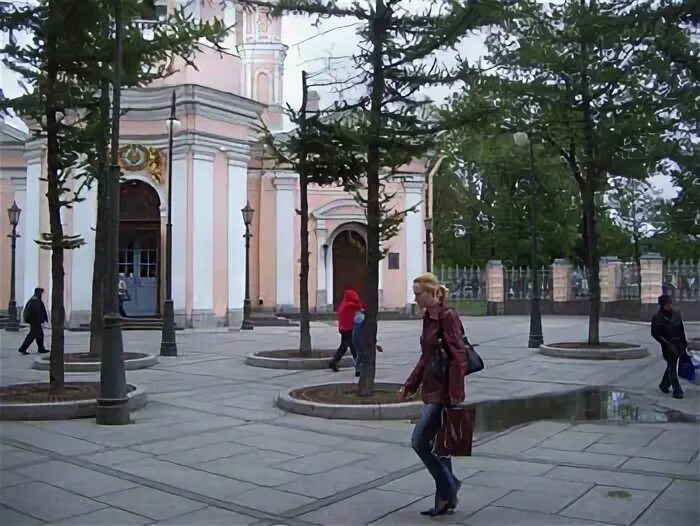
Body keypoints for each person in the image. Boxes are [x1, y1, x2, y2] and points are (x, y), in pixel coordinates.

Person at [399, 272, 466, 517]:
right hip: (432, 389)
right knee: (441, 448)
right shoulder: (429, 318)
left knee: (419, 442)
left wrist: (455, 394)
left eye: (418, 294)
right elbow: (426, 359)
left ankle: (451, 485)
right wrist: (410, 385)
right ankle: (444, 502)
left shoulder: (447, 317)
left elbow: (458, 357)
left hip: (444, 393)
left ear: (431, 293)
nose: (415, 298)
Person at [651, 294, 688, 399]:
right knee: (672, 365)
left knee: (672, 365)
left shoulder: (676, 314)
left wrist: (684, 342)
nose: (669, 306)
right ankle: (677, 389)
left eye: (670, 304)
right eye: (667, 304)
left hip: (679, 343)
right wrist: (665, 342)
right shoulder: (657, 318)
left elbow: (681, 328)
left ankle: (664, 384)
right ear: (662, 305)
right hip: (668, 345)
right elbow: (655, 333)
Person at [329, 289, 364, 372]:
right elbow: (360, 306)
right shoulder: (349, 304)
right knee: (346, 346)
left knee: (351, 346)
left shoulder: (343, 303)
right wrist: (358, 301)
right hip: (347, 329)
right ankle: (334, 362)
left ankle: (358, 364)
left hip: (343, 328)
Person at [351, 308, 383, 377]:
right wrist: (375, 345)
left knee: (360, 353)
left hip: (357, 338)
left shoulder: (358, 318)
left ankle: (358, 369)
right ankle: (361, 369)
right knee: (362, 353)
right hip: (361, 339)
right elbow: (367, 334)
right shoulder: (364, 320)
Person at [17, 288, 49, 355]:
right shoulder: (35, 300)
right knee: (32, 336)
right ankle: (23, 348)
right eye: (41, 293)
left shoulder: (35, 299)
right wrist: (39, 319)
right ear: (38, 292)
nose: (42, 294)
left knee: (39, 335)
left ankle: (41, 348)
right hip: (35, 322)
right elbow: (35, 312)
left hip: (35, 321)